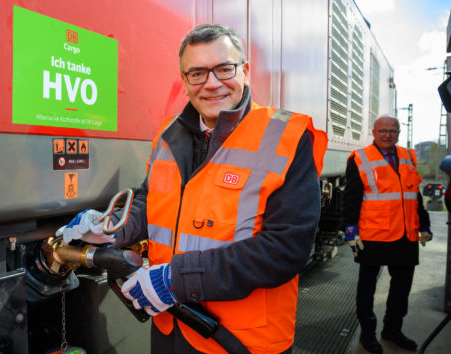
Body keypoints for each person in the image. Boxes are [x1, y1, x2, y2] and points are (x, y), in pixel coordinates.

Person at [58, 24, 327, 353]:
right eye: (197, 73)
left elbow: (286, 249)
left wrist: (174, 280)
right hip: (173, 328)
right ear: (185, 82)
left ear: (245, 71)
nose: (212, 84)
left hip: (239, 340)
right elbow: (151, 202)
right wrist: (112, 228)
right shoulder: (170, 134)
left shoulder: (285, 137)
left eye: (223, 69)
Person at [342, 115, 432, 353]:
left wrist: (424, 224)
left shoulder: (409, 157)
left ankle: (392, 330)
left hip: (405, 235)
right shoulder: (360, 158)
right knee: (366, 289)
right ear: (373, 132)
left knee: (401, 289)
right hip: (373, 235)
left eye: (392, 131)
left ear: (399, 132)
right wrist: (350, 230)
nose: (387, 135)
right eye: (382, 130)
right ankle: (368, 333)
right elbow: (351, 197)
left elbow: (416, 195)